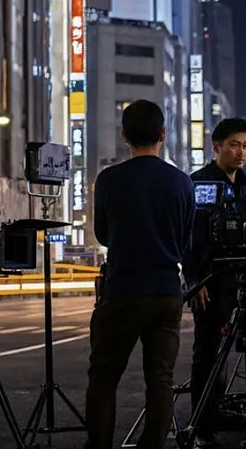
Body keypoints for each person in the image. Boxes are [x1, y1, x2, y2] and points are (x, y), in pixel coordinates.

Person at [84, 100, 195, 449]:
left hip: (123, 288)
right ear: (163, 135)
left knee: (103, 378)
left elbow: (102, 235)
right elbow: (185, 239)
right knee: (160, 381)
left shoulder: (109, 179)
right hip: (165, 290)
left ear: (124, 136)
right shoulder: (181, 182)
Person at [184, 117, 246, 445]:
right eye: (234, 145)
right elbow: (189, 239)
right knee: (209, 356)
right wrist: (194, 280)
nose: (241, 152)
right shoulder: (198, 183)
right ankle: (203, 429)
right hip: (213, 281)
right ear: (216, 147)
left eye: (245, 146)